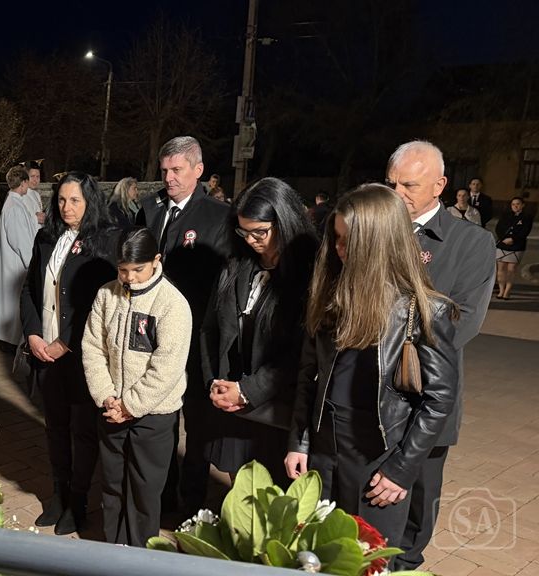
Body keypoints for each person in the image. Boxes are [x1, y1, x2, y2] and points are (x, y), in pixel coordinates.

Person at [285, 183, 459, 553]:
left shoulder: (423, 310)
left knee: (369, 560)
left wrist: (402, 468)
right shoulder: (330, 296)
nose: (339, 249)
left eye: (349, 241)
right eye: (336, 238)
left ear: (380, 243)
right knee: (314, 554)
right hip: (323, 451)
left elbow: (439, 400)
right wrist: (300, 442)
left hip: (378, 460)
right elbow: (308, 375)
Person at [384, 141, 494, 570]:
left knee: (418, 499)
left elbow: (462, 322)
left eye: (409, 185)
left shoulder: (471, 242)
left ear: (439, 185)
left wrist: (395, 350)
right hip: (368, 392)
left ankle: (406, 565)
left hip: (427, 393)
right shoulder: (375, 229)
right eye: (392, 184)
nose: (397, 194)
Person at [200, 178, 318, 487]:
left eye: (260, 232)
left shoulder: (310, 272)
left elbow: (301, 352)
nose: (251, 240)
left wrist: (248, 391)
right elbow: (210, 329)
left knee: (277, 501)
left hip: (277, 411)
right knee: (240, 493)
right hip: (232, 403)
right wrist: (215, 382)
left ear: (285, 222)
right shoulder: (236, 264)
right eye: (244, 232)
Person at [135, 136, 230, 516]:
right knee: (161, 419)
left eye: (177, 170)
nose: (169, 178)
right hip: (151, 335)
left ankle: (191, 504)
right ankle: (162, 495)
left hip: (196, 339)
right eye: (164, 170)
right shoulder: (149, 209)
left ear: (198, 170)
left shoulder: (218, 216)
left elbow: (221, 283)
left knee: (198, 424)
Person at [20, 171, 118, 535]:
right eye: (61, 200)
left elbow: (99, 303)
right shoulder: (46, 237)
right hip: (43, 350)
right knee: (55, 428)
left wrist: (65, 342)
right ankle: (59, 495)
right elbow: (29, 289)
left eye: (75, 200)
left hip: (79, 355)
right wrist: (33, 334)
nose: (67, 207)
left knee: (82, 431)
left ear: (90, 202)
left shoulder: (104, 242)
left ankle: (78, 502)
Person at [81, 228, 191, 546]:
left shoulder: (172, 303)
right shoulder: (106, 295)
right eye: (123, 270)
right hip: (112, 406)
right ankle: (114, 546)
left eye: (137, 269)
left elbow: (166, 367)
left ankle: (141, 553)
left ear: (156, 260)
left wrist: (130, 405)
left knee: (145, 490)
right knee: (113, 483)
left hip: (154, 413)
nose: (129, 278)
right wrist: (106, 395)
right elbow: (93, 347)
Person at [0, 166, 41, 347]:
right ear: (23, 183)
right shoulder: (14, 207)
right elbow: (20, 240)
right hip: (17, 264)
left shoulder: (14, 202)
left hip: (16, 262)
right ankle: (11, 341)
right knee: (13, 303)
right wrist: (32, 263)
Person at [494, 196, 533, 300]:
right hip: (503, 244)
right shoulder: (505, 215)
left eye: (518, 204)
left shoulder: (527, 217)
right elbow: (498, 228)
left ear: (523, 205)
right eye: (513, 204)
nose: (515, 206)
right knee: (501, 269)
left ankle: (507, 291)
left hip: (517, 245)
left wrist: (513, 239)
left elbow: (525, 231)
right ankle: (501, 290)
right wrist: (503, 239)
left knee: (511, 270)